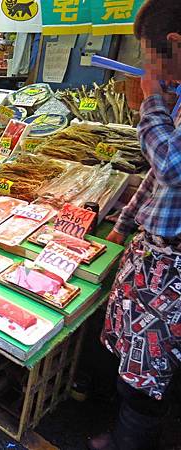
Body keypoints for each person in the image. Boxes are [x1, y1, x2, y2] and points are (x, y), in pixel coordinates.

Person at [90, 1, 181, 449]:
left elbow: (173, 167)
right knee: (129, 357)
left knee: (149, 375)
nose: (147, 65)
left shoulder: (167, 99)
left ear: (176, 45)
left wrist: (150, 103)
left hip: (175, 268)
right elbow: (156, 179)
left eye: (149, 54)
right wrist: (124, 224)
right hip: (153, 256)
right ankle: (118, 432)